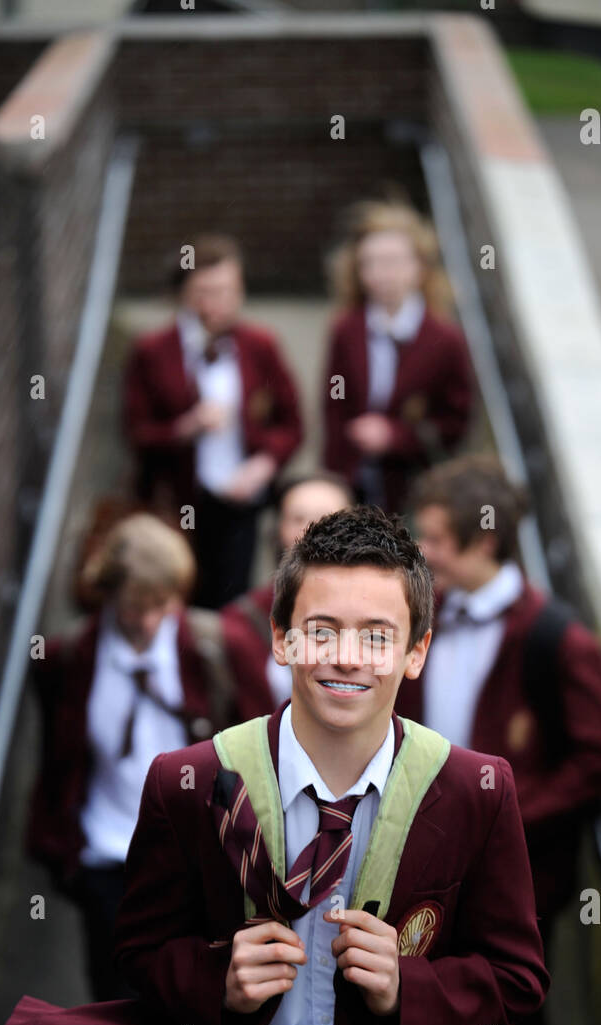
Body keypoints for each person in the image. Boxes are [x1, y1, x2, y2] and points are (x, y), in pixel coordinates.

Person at [1, 505, 549, 1025]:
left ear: (417, 651)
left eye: (377, 635)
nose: (346, 657)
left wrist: (408, 985)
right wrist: (217, 976)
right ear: (282, 638)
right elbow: (142, 953)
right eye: (320, 629)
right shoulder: (191, 783)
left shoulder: (475, 789)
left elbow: (517, 975)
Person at [25, 512, 270, 1025]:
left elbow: (262, 751)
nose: (146, 619)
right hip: (109, 872)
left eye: (161, 602)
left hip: (203, 876)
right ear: (107, 594)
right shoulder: (67, 660)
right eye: (133, 603)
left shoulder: (214, 648)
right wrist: (62, 855)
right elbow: (58, 765)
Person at [397, 457, 601, 1025]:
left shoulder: (556, 638)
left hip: (514, 886)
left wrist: (503, 822)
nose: (420, 551)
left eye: (433, 538)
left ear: (482, 543)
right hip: (426, 873)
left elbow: (598, 753)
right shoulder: (427, 616)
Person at [122, 234, 304, 609]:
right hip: (179, 501)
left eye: (230, 290)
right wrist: (185, 428)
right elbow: (135, 432)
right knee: (178, 595)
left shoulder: (260, 345)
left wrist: (263, 465)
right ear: (183, 294)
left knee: (233, 601)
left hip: (242, 499)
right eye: (207, 291)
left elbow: (292, 424)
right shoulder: (152, 350)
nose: (220, 302)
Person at [322, 201, 473, 516]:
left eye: (390, 262)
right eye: (369, 263)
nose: (379, 274)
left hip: (414, 489)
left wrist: (395, 436)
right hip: (354, 482)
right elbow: (333, 406)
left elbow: (454, 425)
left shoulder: (445, 340)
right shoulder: (347, 329)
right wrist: (335, 478)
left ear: (418, 267)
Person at [221, 470, 356, 709]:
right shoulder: (240, 623)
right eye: (298, 518)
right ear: (279, 529)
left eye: (329, 519)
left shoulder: (389, 614)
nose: (312, 531)